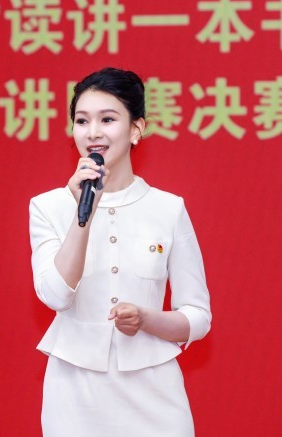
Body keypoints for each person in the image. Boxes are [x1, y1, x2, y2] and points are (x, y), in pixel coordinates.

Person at [29, 67, 211, 437]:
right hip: (75, 396)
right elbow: (56, 296)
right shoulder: (48, 207)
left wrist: (147, 319)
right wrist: (83, 215)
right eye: (82, 121)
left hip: (155, 394)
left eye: (107, 119)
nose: (93, 132)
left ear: (136, 129)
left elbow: (198, 317)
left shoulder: (168, 208)